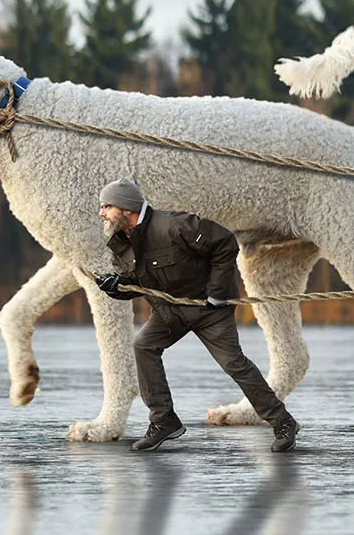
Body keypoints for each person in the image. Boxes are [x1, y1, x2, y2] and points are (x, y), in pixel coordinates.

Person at [93, 178, 299, 453]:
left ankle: (283, 422)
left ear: (126, 208)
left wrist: (217, 291)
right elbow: (135, 281)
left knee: (234, 364)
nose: (101, 213)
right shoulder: (120, 240)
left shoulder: (175, 225)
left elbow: (225, 243)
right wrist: (116, 287)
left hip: (209, 310)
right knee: (143, 346)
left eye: (107, 206)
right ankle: (164, 421)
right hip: (169, 312)